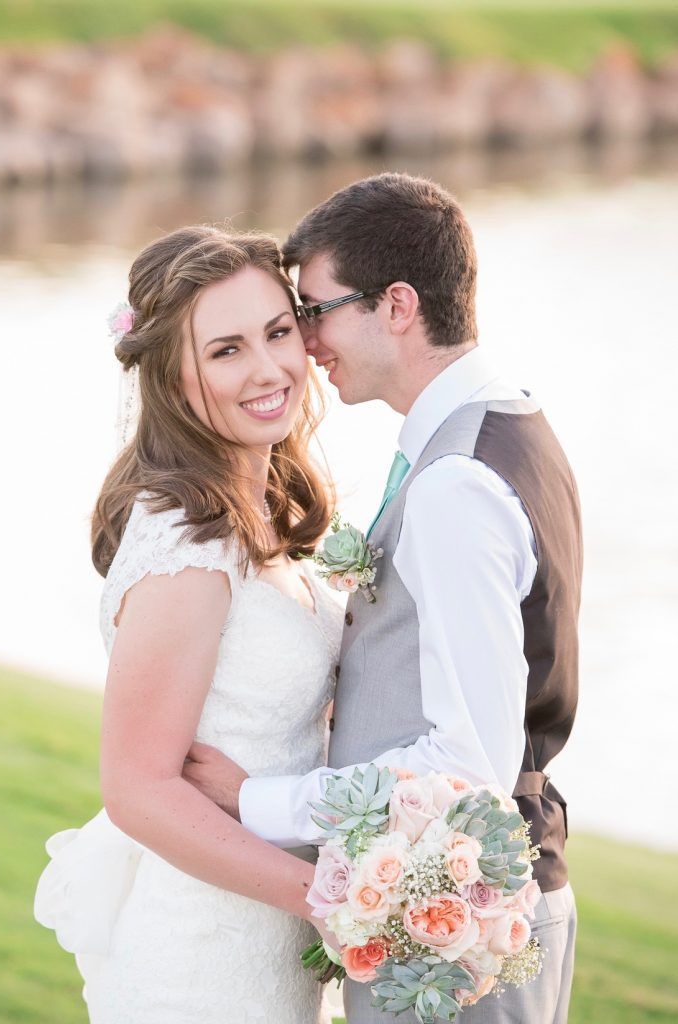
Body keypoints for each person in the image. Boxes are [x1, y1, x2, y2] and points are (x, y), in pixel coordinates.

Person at [183, 173, 582, 1024]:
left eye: (316, 309)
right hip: (473, 898)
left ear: (396, 305)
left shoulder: (456, 486)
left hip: (461, 922)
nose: (305, 342)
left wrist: (256, 800)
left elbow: (466, 766)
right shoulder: (505, 424)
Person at [33, 225, 344, 1023]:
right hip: (206, 971)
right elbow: (137, 788)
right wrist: (335, 900)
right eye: (226, 350)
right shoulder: (189, 544)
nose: (270, 369)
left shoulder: (255, 513)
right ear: (172, 375)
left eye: (279, 332)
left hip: (273, 949)